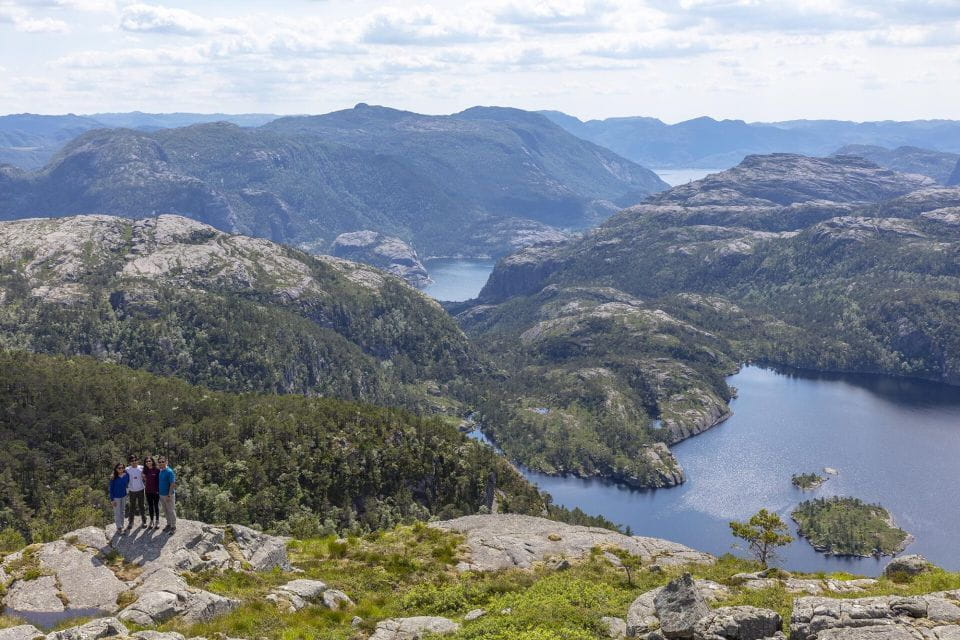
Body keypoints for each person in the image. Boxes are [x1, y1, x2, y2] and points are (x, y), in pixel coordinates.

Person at [125, 454, 146, 530]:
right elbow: (118, 472)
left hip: (141, 489)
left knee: (142, 506)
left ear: (137, 460)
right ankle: (131, 522)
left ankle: (144, 521)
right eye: (132, 461)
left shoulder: (142, 468)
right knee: (132, 507)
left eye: (135, 460)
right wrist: (113, 475)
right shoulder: (127, 469)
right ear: (130, 462)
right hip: (132, 490)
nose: (134, 462)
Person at [158, 456, 177, 534]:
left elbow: (172, 484)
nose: (161, 463)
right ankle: (168, 524)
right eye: (160, 462)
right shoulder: (160, 471)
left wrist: (169, 495)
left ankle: (173, 526)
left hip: (168, 495)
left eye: (163, 462)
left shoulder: (169, 471)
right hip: (161, 494)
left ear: (166, 462)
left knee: (171, 510)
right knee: (165, 510)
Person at [109, 463, 129, 535]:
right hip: (116, 497)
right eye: (119, 468)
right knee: (117, 512)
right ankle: (119, 527)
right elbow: (111, 489)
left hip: (124, 496)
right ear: (116, 469)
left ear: (124, 468)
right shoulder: (113, 477)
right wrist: (112, 500)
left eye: (122, 468)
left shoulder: (126, 475)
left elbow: (127, 483)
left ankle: (122, 525)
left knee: (122, 511)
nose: (120, 469)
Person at [143, 456, 161, 529]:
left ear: (152, 461)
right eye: (146, 461)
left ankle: (157, 521)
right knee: (150, 506)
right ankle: (151, 521)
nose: (148, 462)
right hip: (148, 491)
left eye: (149, 461)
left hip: (156, 491)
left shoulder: (157, 470)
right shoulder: (145, 470)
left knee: (156, 506)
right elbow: (144, 479)